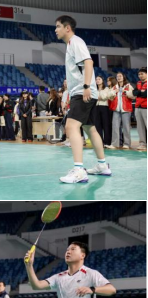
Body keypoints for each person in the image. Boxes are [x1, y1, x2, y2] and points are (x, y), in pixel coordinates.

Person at [54, 15, 111, 183]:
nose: (56, 30)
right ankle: (102, 165)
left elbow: (88, 63)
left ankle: (79, 171)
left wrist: (86, 86)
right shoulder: (71, 44)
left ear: (67, 28)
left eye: (58, 26)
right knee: (90, 129)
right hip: (82, 92)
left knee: (71, 126)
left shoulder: (76, 42)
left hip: (83, 92)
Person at [109, 72, 134, 150]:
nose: (119, 77)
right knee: (115, 127)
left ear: (123, 77)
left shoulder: (128, 86)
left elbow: (133, 96)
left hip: (126, 109)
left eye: (120, 76)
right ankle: (115, 144)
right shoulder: (114, 87)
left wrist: (125, 91)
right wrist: (114, 92)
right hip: (116, 109)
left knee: (126, 127)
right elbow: (109, 96)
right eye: (117, 76)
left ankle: (127, 144)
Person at [132, 67, 147, 151]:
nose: (140, 76)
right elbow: (134, 93)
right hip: (138, 107)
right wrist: (140, 92)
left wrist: (139, 92)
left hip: (146, 107)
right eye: (139, 74)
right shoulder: (138, 83)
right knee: (140, 127)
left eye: (142, 74)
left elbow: (145, 94)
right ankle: (142, 144)